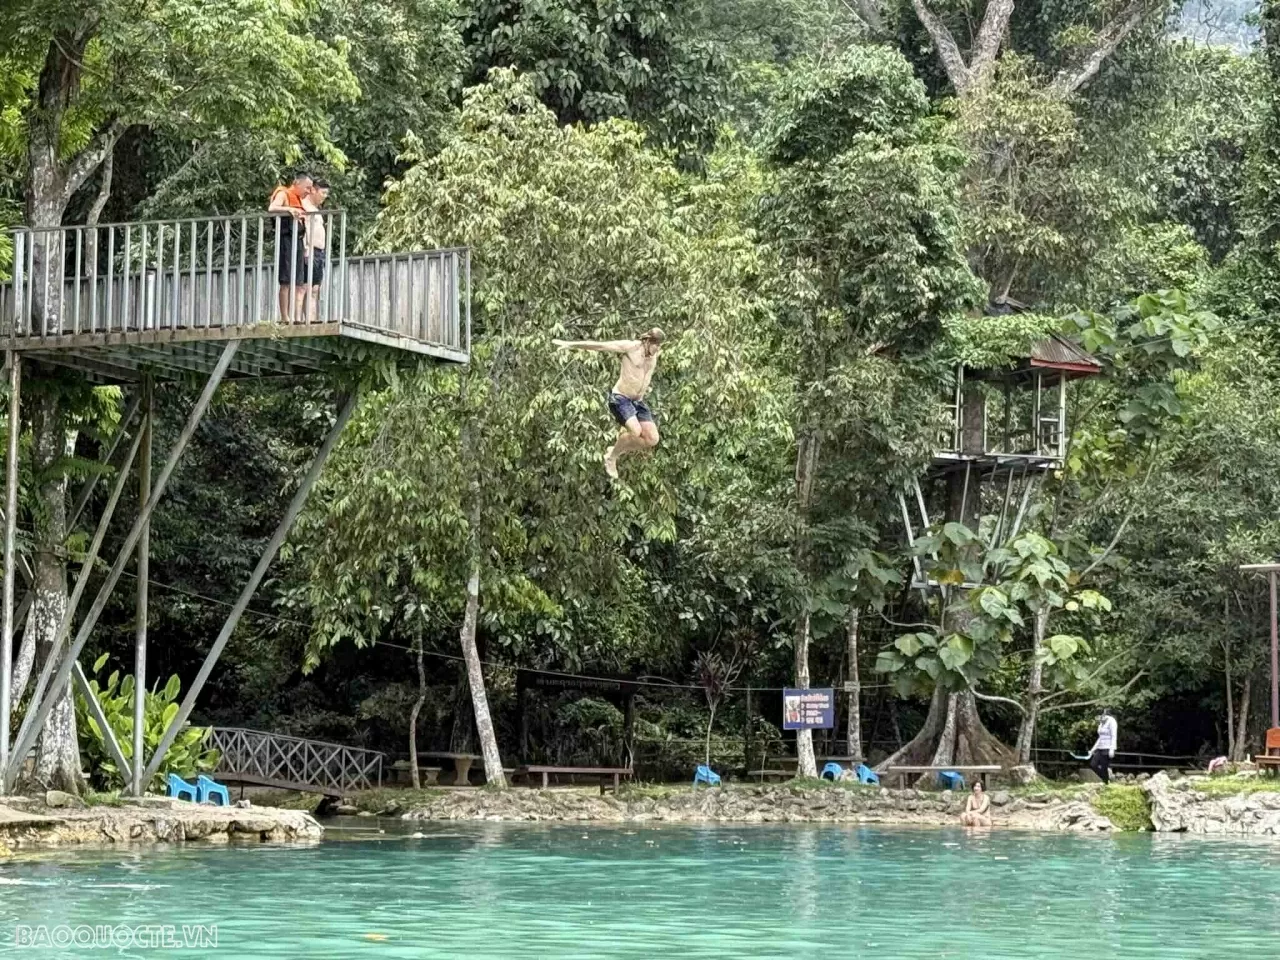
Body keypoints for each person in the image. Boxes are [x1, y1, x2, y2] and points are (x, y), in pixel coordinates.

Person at [552, 328, 664, 479]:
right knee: (636, 432)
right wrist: (571, 344)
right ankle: (611, 457)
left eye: (660, 345)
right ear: (647, 341)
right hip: (621, 399)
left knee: (652, 439)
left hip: (638, 402)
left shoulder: (653, 355)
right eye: (656, 345)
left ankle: (617, 448)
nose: (658, 349)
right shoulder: (631, 347)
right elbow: (601, 346)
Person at [268, 172, 312, 322]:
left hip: (298, 239)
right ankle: (285, 317)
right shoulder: (284, 193)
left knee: (298, 281)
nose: (308, 191)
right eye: (307, 187)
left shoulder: (298, 199)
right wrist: (289, 210)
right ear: (297, 183)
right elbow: (272, 208)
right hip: (286, 238)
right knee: (286, 280)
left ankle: (295, 316)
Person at [301, 179, 330, 324]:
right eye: (323, 193)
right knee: (305, 286)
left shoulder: (315, 209)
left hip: (319, 251)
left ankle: (311, 319)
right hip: (310, 250)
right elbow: (303, 229)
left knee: (315, 289)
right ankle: (303, 320)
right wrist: (306, 248)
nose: (325, 196)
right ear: (314, 190)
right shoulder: (304, 206)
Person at [1087, 707, 1118, 784]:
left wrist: (1112, 749)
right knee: (1093, 765)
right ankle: (1107, 780)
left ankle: (1106, 782)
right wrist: (1092, 750)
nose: (1098, 720)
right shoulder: (1101, 723)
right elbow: (1100, 738)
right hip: (1100, 747)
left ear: (1103, 715)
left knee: (1104, 767)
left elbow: (1114, 736)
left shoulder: (1112, 721)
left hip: (1108, 748)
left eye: (1099, 718)